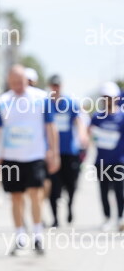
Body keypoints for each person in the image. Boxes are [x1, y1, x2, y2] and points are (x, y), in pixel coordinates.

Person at [0, 64, 59, 254]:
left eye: (20, 82)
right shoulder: (3, 101)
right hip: (11, 157)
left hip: (34, 155)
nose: (17, 86)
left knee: (35, 194)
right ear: (9, 82)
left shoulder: (41, 98)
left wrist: (54, 152)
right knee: (16, 197)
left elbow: (51, 126)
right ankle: (20, 236)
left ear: (26, 80)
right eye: (13, 83)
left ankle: (37, 235)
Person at [47, 75, 88, 226]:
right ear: (50, 86)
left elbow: (78, 121)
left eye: (57, 85)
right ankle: (55, 218)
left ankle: (70, 206)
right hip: (52, 152)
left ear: (61, 86)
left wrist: (83, 135)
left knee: (71, 185)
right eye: (53, 85)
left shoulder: (70, 103)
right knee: (53, 187)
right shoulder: (46, 104)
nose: (55, 88)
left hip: (69, 152)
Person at [90, 81, 124, 231]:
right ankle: (107, 218)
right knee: (104, 191)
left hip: (119, 161)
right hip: (102, 161)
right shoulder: (97, 116)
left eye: (110, 97)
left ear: (116, 98)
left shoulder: (122, 117)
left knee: (119, 190)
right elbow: (90, 134)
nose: (107, 100)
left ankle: (120, 217)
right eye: (105, 97)